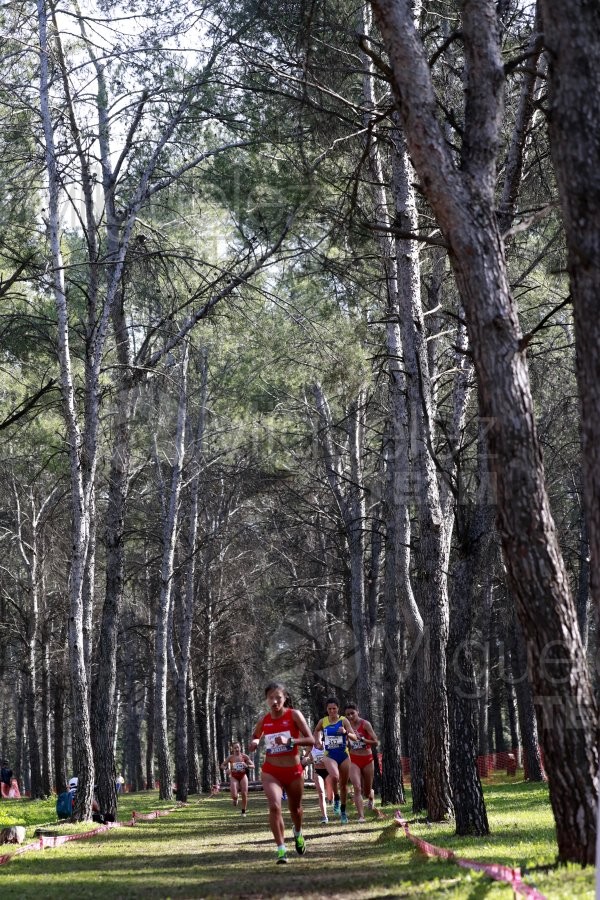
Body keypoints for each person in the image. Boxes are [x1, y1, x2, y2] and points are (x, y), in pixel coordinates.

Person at [248, 681, 314, 864]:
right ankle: (281, 850)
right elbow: (255, 736)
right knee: (274, 806)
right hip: (271, 771)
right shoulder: (264, 720)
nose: (275, 701)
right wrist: (254, 742)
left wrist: (290, 741)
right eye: (271, 698)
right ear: (266, 700)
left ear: (285, 698)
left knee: (296, 810)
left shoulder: (294, 715)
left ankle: (298, 833)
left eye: (278, 697)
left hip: (293, 771)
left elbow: (311, 740)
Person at [313, 697, 364, 824]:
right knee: (334, 777)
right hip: (329, 754)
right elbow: (317, 730)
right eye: (329, 709)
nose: (332, 711)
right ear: (326, 709)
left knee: (343, 784)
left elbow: (354, 737)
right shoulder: (323, 721)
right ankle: (336, 798)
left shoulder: (343, 720)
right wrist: (318, 740)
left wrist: (346, 732)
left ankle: (342, 811)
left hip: (343, 755)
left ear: (338, 709)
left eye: (334, 708)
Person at [345, 702, 378, 812]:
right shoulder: (346, 725)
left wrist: (362, 739)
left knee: (367, 791)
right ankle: (361, 816)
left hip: (367, 759)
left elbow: (376, 742)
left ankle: (371, 796)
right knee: (357, 787)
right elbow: (346, 742)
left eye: (352, 713)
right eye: (347, 714)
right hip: (354, 759)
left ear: (357, 712)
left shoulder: (365, 724)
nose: (350, 716)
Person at [220, 742, 255, 815]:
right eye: (235, 748)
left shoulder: (244, 756)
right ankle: (236, 798)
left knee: (244, 793)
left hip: (243, 776)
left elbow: (253, 765)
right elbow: (222, 765)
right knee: (233, 795)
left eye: (238, 747)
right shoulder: (230, 757)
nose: (236, 749)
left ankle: (243, 811)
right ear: (232, 749)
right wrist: (226, 769)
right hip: (234, 776)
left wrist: (247, 766)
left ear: (240, 747)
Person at [300, 745, 332, 824]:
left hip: (328, 771)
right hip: (317, 771)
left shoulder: (327, 744)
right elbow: (307, 758)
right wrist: (304, 762)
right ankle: (324, 817)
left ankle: (332, 799)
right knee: (321, 793)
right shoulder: (311, 747)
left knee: (330, 793)